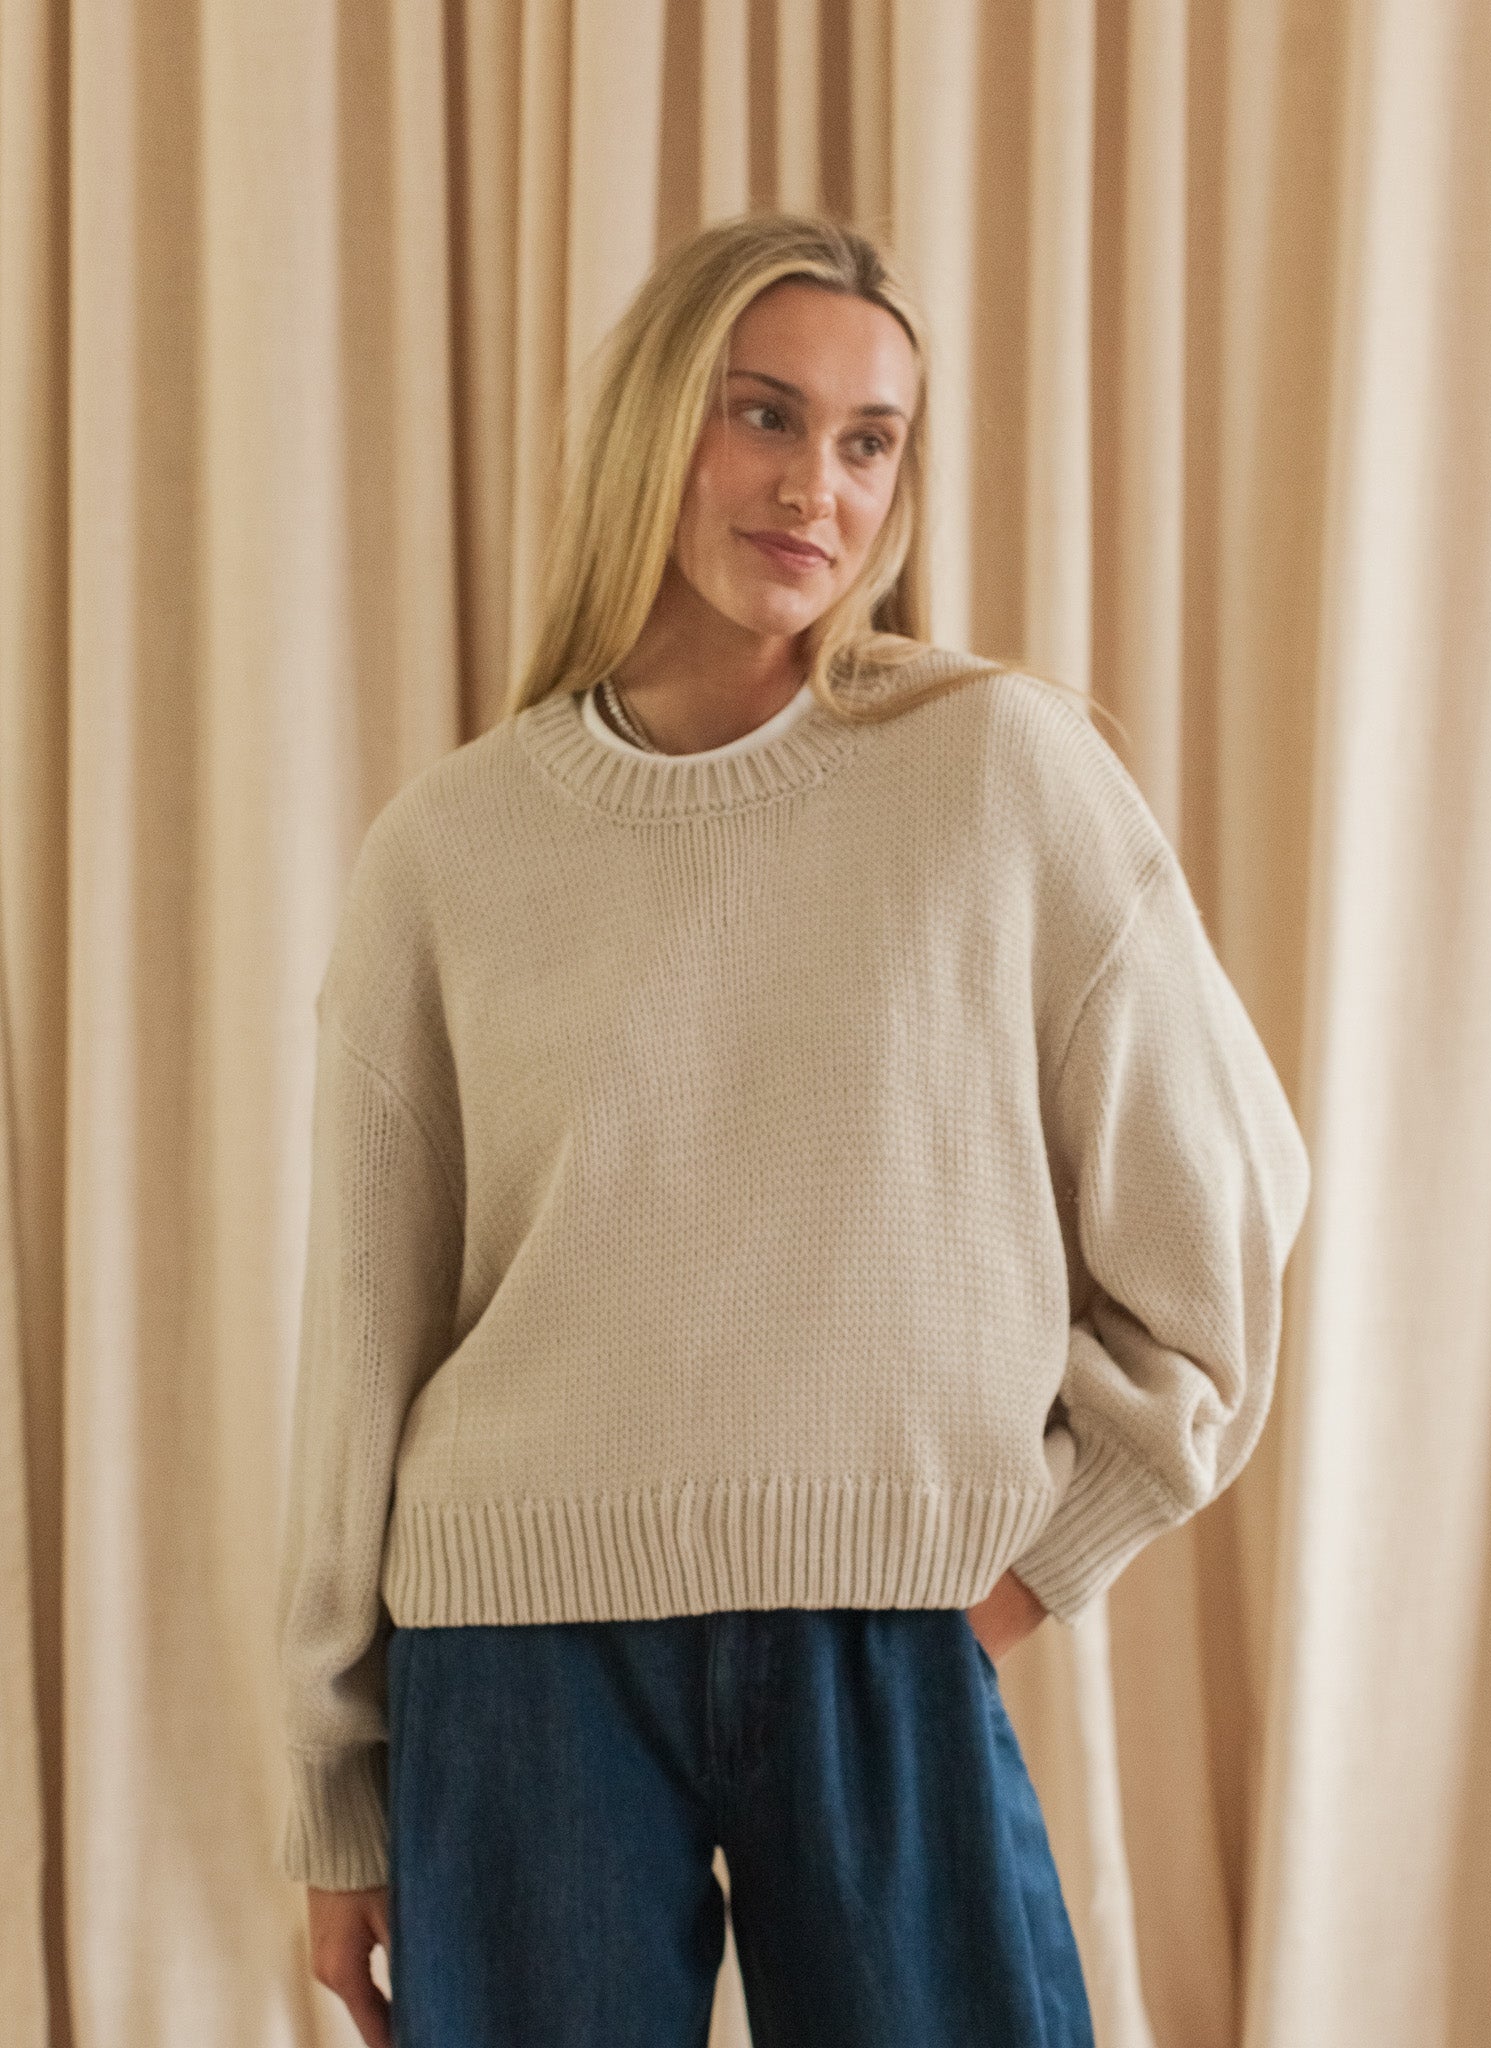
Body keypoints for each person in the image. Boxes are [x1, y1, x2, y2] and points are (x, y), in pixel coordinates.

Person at [274, 211, 1311, 2047]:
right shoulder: (450, 850)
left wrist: (1014, 1573)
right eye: (763, 414)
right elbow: (366, 1343)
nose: (813, 486)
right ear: (656, 428)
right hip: (518, 1660)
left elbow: (1222, 1207)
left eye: (868, 439)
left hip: (887, 1626)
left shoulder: (1000, 772)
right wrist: (336, 1787)